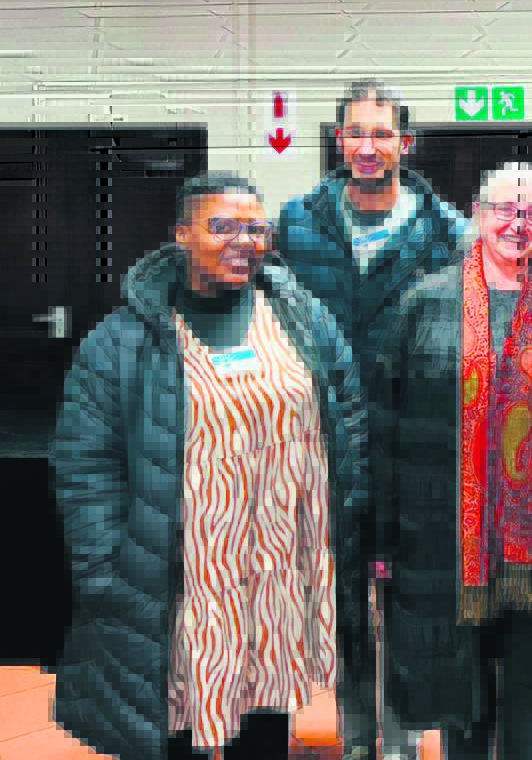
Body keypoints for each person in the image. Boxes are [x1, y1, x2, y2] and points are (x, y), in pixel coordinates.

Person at [52, 173, 367, 760]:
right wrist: (104, 571)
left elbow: (347, 412)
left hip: (277, 573)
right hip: (181, 580)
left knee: (266, 715)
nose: (243, 241)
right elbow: (84, 463)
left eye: (255, 228)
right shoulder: (123, 341)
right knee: (181, 719)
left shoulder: (301, 317)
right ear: (182, 234)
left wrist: (350, 517)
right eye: (222, 226)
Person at [374, 163, 532, 760]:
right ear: (477, 214)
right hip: (447, 541)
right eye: (505, 210)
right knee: (460, 699)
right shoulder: (425, 304)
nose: (517, 224)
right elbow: (386, 424)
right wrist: (382, 534)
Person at [276, 80, 465, 759]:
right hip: (325, 437)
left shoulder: (447, 232)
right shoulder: (297, 224)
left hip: (413, 441)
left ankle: (404, 737)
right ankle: (358, 738)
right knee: (344, 601)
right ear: (338, 140)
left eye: (382, 133)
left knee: (410, 601)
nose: (367, 145)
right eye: (356, 131)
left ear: (404, 144)